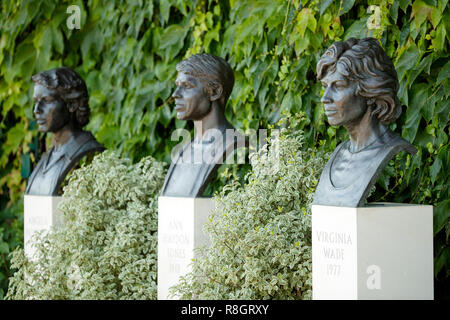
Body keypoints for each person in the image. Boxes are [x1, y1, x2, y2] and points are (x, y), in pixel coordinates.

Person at [312, 38, 416, 207]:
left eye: (338, 86)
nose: (325, 98)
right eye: (325, 86)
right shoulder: (338, 154)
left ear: (369, 90)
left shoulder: (391, 150)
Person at [161, 53, 244, 197]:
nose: (175, 94)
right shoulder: (184, 151)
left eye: (186, 86)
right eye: (177, 86)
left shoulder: (233, 145)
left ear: (215, 92)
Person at [26, 67, 105, 196]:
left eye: (46, 101)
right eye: (36, 101)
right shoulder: (49, 156)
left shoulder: (88, 154)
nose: (36, 110)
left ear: (72, 105)